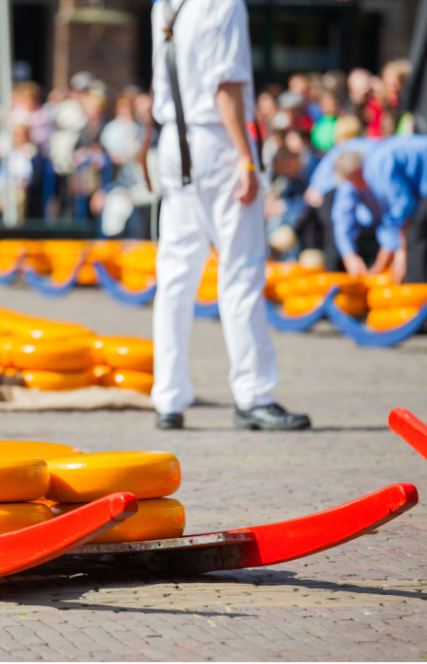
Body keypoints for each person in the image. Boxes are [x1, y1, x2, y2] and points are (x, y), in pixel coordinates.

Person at [150, 0, 310, 430]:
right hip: (215, 142)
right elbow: (226, 85)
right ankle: (253, 392)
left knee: (176, 274)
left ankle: (168, 396)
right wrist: (246, 157)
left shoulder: (166, 4)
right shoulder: (222, 4)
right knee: (241, 268)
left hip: (174, 139)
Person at [361, 135, 427, 283]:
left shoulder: (376, 166)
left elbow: (404, 206)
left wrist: (403, 253)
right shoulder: (378, 156)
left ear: (356, 170)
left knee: (417, 234)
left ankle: (417, 296)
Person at [328, 152, 392, 277]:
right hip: (372, 230)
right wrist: (349, 255)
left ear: (357, 171)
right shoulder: (349, 184)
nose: (351, 186)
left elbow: (396, 218)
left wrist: (379, 267)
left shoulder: (382, 174)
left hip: (397, 228)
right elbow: (342, 219)